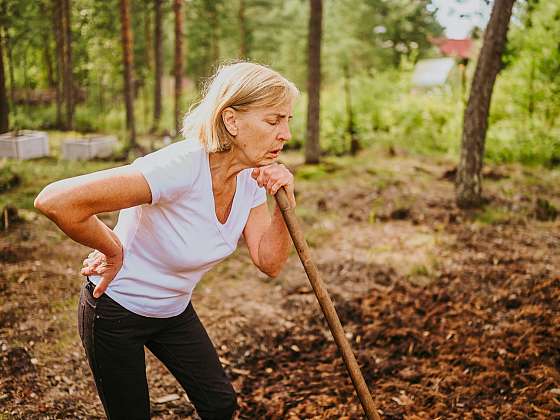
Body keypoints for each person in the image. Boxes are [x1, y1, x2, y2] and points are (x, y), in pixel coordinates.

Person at [34, 61, 299, 420]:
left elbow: (268, 261)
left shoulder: (251, 178)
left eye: (288, 121)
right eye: (274, 120)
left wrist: (285, 204)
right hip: (115, 311)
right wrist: (113, 248)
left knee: (220, 405)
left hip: (173, 311)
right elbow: (56, 201)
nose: (285, 134)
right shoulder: (181, 166)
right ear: (232, 120)